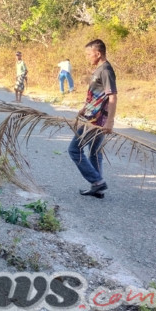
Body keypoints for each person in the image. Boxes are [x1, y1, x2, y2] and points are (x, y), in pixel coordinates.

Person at [68, 39, 118, 199]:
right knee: (95, 153)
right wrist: (85, 107)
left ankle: (97, 181)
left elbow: (112, 97)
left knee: (74, 150)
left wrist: (110, 121)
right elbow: (97, 94)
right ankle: (98, 188)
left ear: (98, 53)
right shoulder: (99, 69)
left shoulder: (106, 70)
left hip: (96, 121)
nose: (88, 57)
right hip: (92, 115)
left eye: (89, 54)